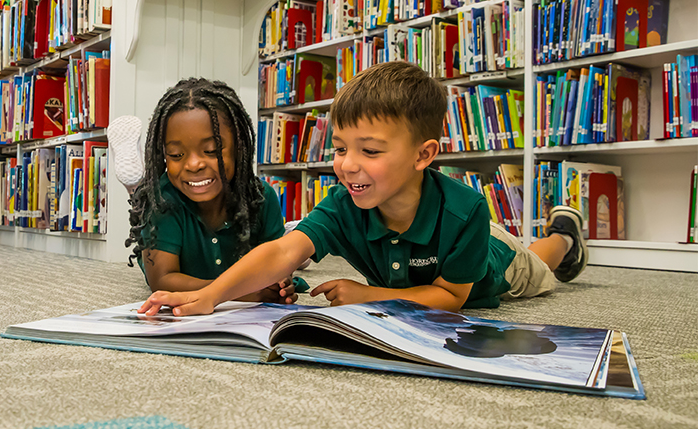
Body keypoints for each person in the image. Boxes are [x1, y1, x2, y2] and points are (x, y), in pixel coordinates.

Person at [138, 61, 588, 317]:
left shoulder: (466, 209)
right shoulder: (343, 204)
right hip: (428, 262)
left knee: (538, 264)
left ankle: (564, 236)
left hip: (493, 264)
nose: (347, 164)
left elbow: (451, 298)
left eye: (369, 151)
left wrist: (370, 293)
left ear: (423, 155)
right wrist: (211, 296)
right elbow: (280, 253)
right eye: (339, 148)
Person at [117, 77, 301, 303]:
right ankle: (137, 190)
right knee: (146, 203)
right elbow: (162, 280)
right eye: (176, 155)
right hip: (162, 238)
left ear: (239, 147)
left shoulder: (262, 197)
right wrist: (241, 291)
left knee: (298, 256)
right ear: (163, 155)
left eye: (212, 150)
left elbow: (276, 270)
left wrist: (281, 284)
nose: (194, 164)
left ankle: (297, 235)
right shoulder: (162, 202)